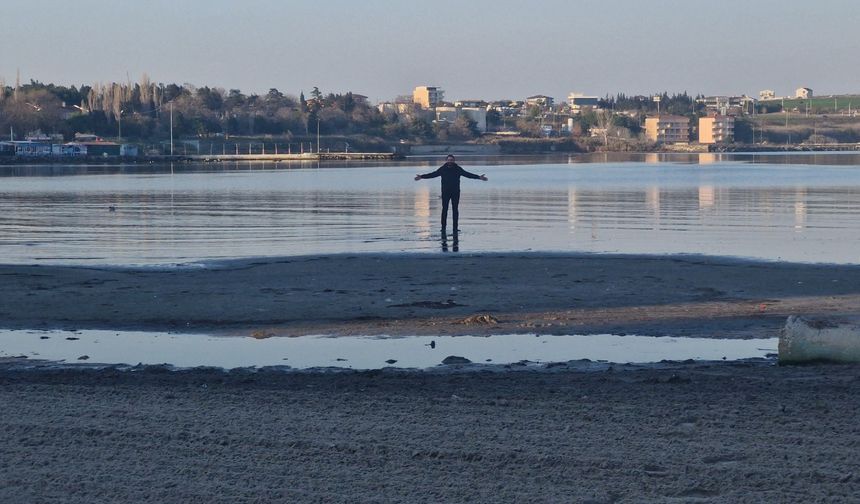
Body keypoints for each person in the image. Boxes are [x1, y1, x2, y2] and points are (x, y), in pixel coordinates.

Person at [414, 154, 488, 234]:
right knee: (444, 210)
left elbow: (467, 174)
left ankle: (455, 228)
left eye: (451, 160)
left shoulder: (458, 169)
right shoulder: (443, 169)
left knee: (455, 210)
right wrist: (421, 177)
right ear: (446, 161)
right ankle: (443, 228)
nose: (450, 161)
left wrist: (479, 177)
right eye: (449, 160)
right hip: (445, 192)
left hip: (455, 192)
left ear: (454, 161)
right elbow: (433, 174)